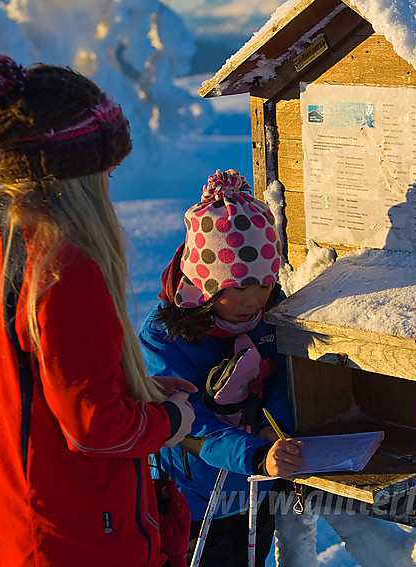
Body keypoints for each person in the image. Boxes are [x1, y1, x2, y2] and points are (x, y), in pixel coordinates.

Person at [0, 53, 195, 567]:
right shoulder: (65, 271)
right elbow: (93, 427)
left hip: (32, 526)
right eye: (105, 170)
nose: (110, 185)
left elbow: (43, 396)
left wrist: (138, 395)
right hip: (86, 537)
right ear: (77, 177)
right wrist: (169, 421)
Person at [138, 169, 304, 566]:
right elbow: (188, 423)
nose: (255, 300)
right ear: (208, 284)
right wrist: (256, 454)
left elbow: (285, 380)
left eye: (263, 285)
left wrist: (272, 427)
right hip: (194, 500)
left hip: (255, 490)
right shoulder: (166, 337)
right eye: (239, 289)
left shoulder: (271, 317)